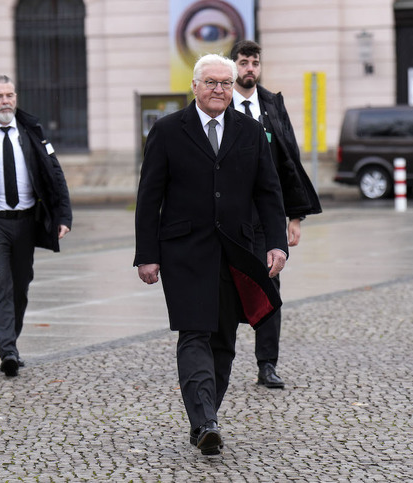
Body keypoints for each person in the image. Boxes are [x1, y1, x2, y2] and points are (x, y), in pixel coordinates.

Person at [134, 54, 288, 456]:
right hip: (184, 251)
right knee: (194, 331)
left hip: (236, 250)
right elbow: (149, 196)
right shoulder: (167, 130)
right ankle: (205, 421)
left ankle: (206, 418)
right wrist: (146, 255)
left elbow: (269, 193)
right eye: (212, 82)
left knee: (223, 337)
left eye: (226, 82)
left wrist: (276, 243)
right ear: (195, 86)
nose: (219, 89)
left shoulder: (251, 131)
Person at [229, 40, 321, 389]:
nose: (249, 68)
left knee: (270, 285)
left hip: (266, 216)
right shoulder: (220, 104)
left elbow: (289, 160)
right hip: (229, 215)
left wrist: (294, 217)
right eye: (243, 62)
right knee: (225, 288)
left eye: (254, 62)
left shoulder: (271, 104)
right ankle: (217, 357)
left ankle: (267, 364)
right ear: (233, 65)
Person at [0, 75, 72, 377]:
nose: (5, 101)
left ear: (15, 98)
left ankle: (9, 342)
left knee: (20, 286)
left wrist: (63, 216)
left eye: (9, 95)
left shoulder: (32, 132)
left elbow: (54, 173)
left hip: (27, 222)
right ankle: (7, 350)